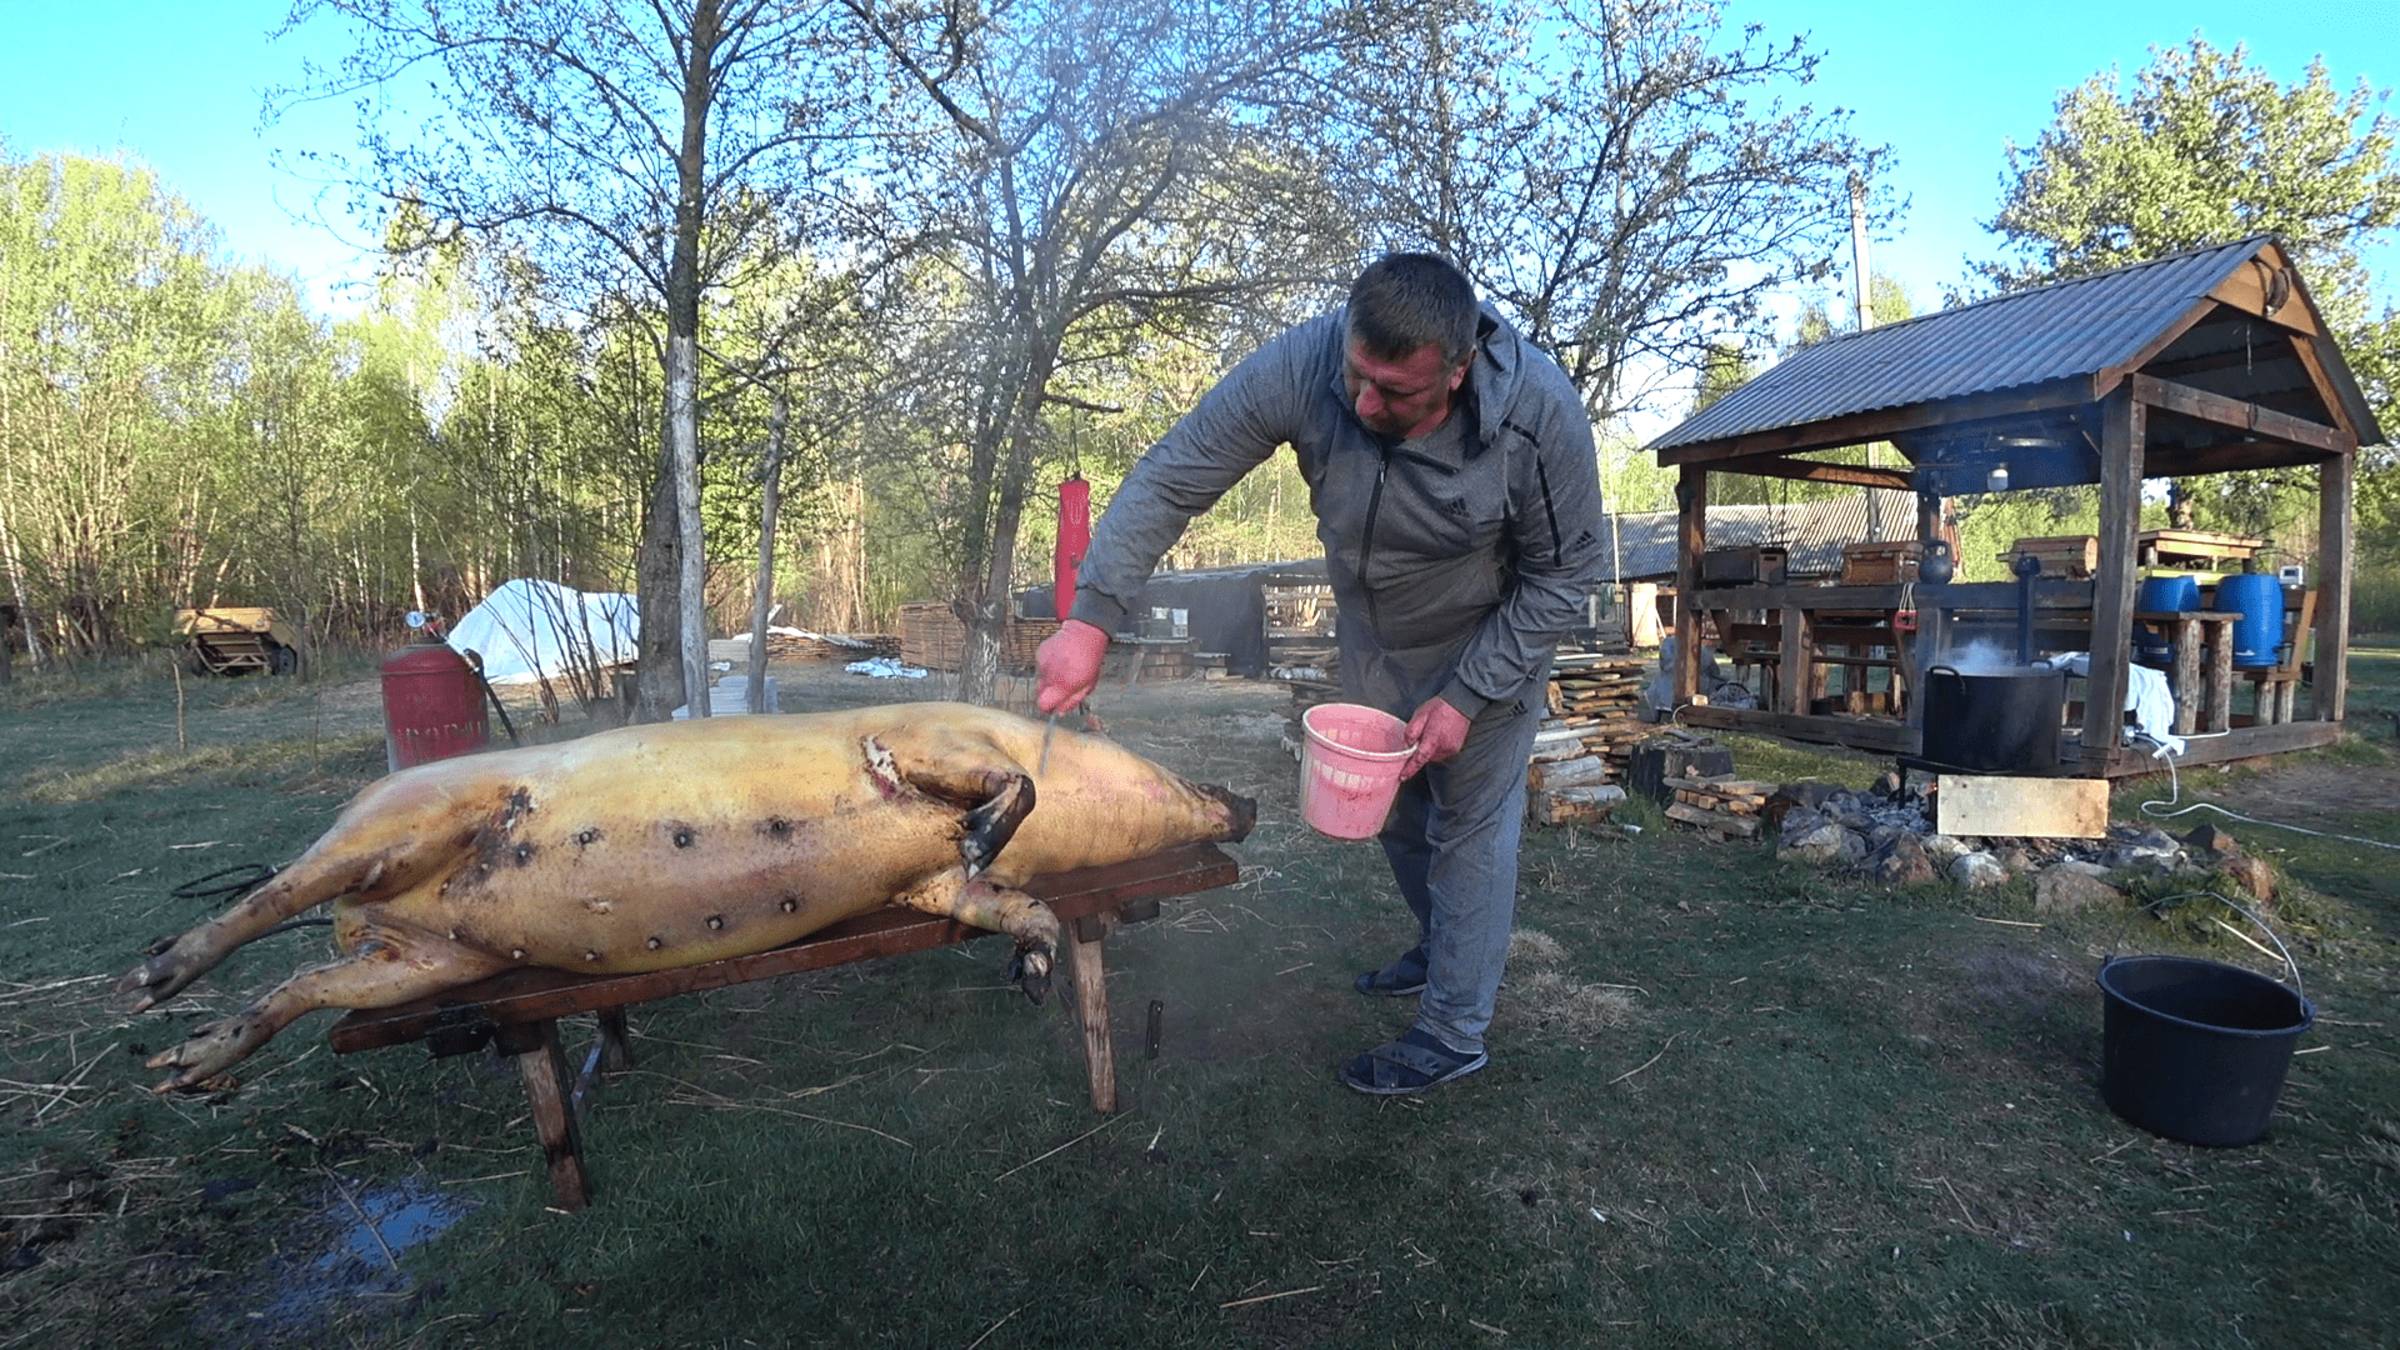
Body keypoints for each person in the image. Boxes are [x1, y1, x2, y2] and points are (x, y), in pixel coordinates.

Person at [1033, 253, 1605, 1095]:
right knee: (1397, 816)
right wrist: (1091, 616)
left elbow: (1568, 574)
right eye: (1357, 375)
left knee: (1469, 830)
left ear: (1457, 371)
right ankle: (1442, 945)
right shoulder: (1308, 362)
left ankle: (1454, 1031)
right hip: (1374, 638)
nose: (1364, 404)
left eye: (1395, 393)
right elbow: (1175, 472)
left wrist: (1468, 695)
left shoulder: (1537, 415)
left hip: (1487, 643)